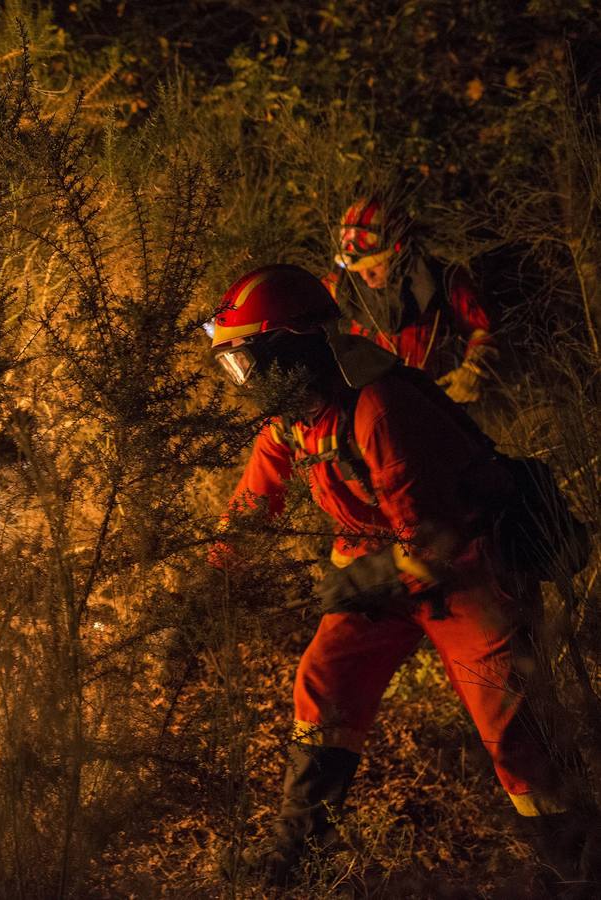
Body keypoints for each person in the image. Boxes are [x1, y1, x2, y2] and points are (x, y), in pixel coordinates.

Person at [209, 263, 596, 891]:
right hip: (387, 577)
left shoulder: (379, 407)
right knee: (324, 680)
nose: (243, 382)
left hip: (470, 576)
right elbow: (253, 504)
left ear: (292, 349)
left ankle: (579, 865)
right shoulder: (296, 415)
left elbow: (436, 540)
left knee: (516, 735)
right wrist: (211, 579)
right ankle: (299, 851)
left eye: (246, 362)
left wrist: (354, 584)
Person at [322, 197, 495, 404]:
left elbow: (481, 329)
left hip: (436, 403)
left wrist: (473, 371)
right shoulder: (337, 287)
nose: (367, 278)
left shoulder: (441, 278)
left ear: (399, 251)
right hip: (370, 410)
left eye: (375, 265)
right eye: (358, 271)